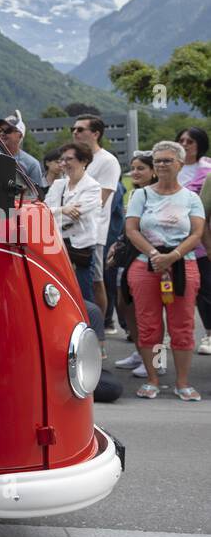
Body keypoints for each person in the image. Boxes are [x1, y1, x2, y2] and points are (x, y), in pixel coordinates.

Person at [124, 140, 206, 401]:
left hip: (183, 264)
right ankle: (153, 378)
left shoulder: (191, 197)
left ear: (180, 164)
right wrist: (155, 254)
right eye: (158, 160)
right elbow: (132, 229)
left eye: (167, 160)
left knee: (182, 325)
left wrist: (173, 256)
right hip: (146, 263)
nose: (161, 165)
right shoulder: (141, 195)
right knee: (149, 325)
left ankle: (182, 381)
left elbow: (197, 233)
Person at [44, 142, 103, 301]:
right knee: (57, 292)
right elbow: (43, 210)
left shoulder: (93, 187)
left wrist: (55, 212)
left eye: (69, 159)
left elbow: (78, 213)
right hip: (56, 244)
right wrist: (63, 209)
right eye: (62, 159)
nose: (63, 163)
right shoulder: (58, 184)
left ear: (84, 161)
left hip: (80, 248)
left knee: (83, 295)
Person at [113, 153, 155, 375]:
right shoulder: (136, 193)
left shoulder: (157, 195)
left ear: (153, 171)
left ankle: (158, 361)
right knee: (126, 305)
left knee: (153, 316)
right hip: (129, 255)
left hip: (150, 257)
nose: (135, 173)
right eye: (133, 168)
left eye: (141, 168)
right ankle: (141, 352)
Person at [72, 115, 120, 310]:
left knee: (95, 280)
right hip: (68, 230)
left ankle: (100, 328)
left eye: (80, 129)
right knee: (73, 281)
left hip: (93, 232)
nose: (75, 132)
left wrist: (68, 208)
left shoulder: (108, 161)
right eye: (73, 129)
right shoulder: (73, 159)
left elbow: (100, 200)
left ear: (96, 134)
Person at [175, 127, 211, 353]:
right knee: (174, 289)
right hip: (171, 239)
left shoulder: (207, 169)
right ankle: (171, 336)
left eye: (191, 141)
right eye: (181, 140)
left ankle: (208, 335)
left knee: (206, 288)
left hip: (200, 241)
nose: (185, 144)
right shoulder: (169, 166)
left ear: (200, 144)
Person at [0, 110, 44, 188]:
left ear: (20, 135)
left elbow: (37, 195)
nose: (2, 133)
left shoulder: (32, 164)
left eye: (8, 130)